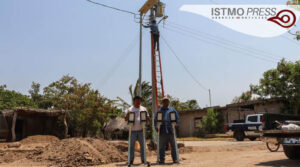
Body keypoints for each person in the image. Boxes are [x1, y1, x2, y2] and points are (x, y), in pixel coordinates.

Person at [154, 97, 180, 164]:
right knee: (161, 147)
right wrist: (156, 127)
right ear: (162, 102)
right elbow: (155, 120)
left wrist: (177, 124)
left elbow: (177, 118)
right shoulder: (159, 111)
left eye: (167, 101)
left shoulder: (172, 110)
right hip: (162, 131)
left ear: (169, 102)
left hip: (171, 130)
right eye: (164, 101)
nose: (166, 102)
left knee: (173, 146)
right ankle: (162, 160)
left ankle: (175, 159)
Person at [125, 96, 150, 165]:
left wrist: (147, 117)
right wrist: (127, 114)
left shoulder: (143, 109)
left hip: (141, 130)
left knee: (143, 146)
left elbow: (148, 118)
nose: (138, 102)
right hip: (132, 130)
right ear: (134, 101)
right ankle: (130, 160)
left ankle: (143, 159)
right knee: (131, 146)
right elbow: (126, 119)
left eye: (139, 101)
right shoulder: (130, 109)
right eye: (137, 101)